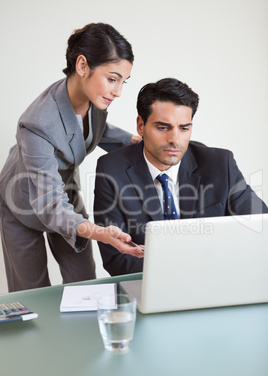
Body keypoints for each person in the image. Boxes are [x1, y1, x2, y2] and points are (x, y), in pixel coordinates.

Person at [0, 22, 144, 292]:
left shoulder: (93, 96)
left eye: (123, 81)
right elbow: (50, 205)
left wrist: (140, 143)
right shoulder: (37, 123)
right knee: (32, 292)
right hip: (23, 201)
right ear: (82, 65)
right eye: (112, 79)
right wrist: (100, 232)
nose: (118, 92)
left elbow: (93, 132)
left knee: (85, 283)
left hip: (64, 192)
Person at [94, 78, 268, 276]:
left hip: (217, 279)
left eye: (184, 128)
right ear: (141, 125)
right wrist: (186, 270)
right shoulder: (111, 170)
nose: (175, 140)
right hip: (150, 286)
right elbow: (116, 259)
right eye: (163, 127)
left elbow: (260, 230)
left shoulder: (221, 164)